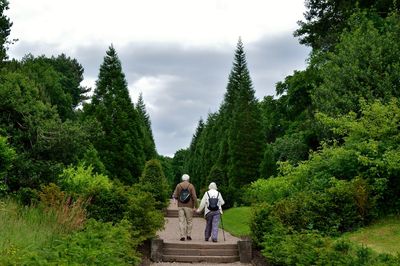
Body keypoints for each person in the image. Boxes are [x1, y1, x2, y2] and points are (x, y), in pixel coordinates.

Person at [172, 174, 197, 241]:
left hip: (180, 205)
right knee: (189, 221)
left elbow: (175, 195)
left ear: (182, 179)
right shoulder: (191, 186)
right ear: (188, 179)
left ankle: (182, 236)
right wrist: (196, 206)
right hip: (189, 206)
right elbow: (194, 197)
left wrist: (175, 200)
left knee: (181, 221)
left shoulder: (178, 185)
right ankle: (188, 235)